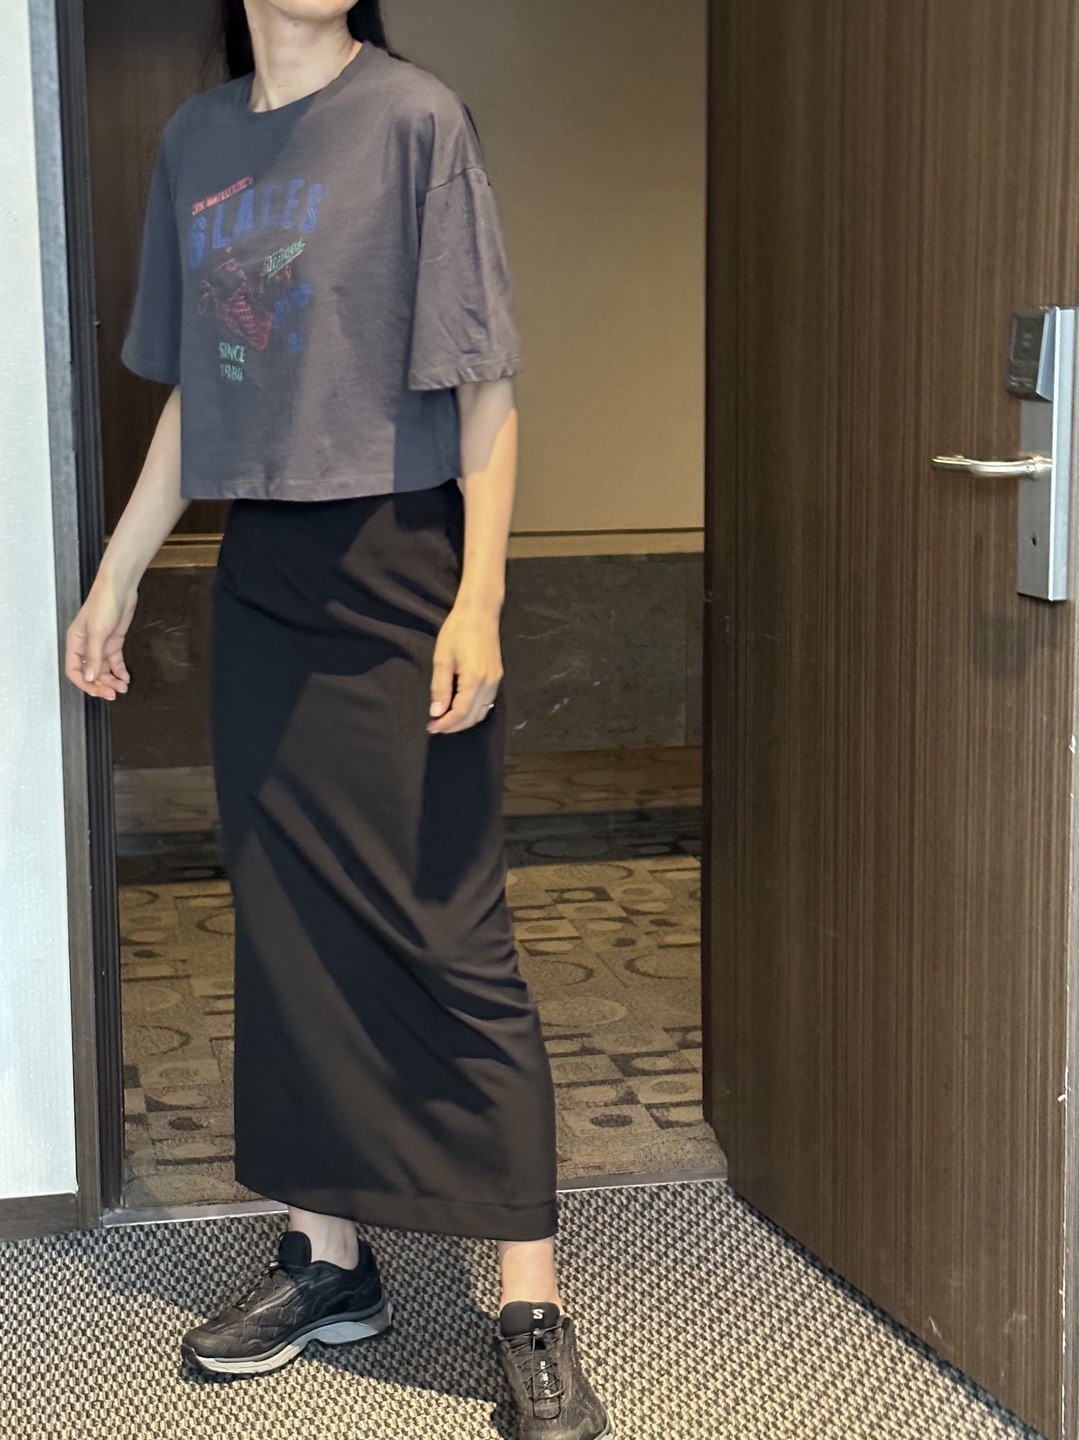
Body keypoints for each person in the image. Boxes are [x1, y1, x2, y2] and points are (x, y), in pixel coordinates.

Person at [63, 4, 610, 1437]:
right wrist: (117, 576)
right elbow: (201, 391)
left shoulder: (416, 119)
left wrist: (479, 596)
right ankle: (328, 1259)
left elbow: (486, 379)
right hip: (264, 575)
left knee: (449, 921)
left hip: (404, 564)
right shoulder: (196, 139)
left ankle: (529, 1298)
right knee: (287, 917)